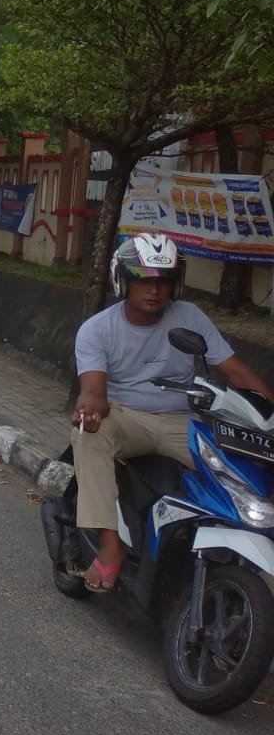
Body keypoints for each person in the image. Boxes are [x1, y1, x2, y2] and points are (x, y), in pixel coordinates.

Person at [71, 232, 274, 591]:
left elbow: (235, 370)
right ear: (125, 282)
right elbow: (94, 390)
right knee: (90, 435)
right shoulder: (97, 329)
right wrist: (90, 408)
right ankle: (110, 547)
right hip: (126, 417)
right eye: (144, 281)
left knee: (244, 463)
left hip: (186, 421)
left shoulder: (190, 317)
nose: (154, 290)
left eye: (163, 281)